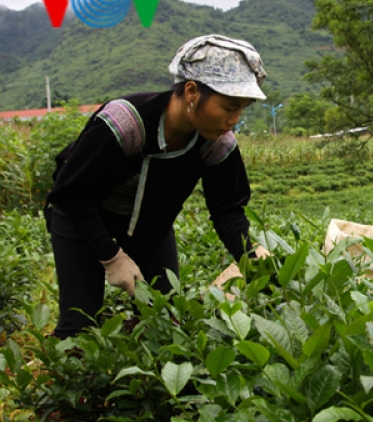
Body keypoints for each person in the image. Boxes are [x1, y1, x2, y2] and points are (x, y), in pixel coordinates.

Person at [45, 35, 268, 339]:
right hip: (82, 216)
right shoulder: (126, 123)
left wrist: (252, 257)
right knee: (79, 328)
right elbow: (71, 193)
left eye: (242, 109)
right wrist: (111, 256)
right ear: (191, 91)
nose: (235, 120)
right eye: (229, 107)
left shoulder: (217, 142)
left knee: (164, 320)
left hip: (150, 225)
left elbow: (227, 210)